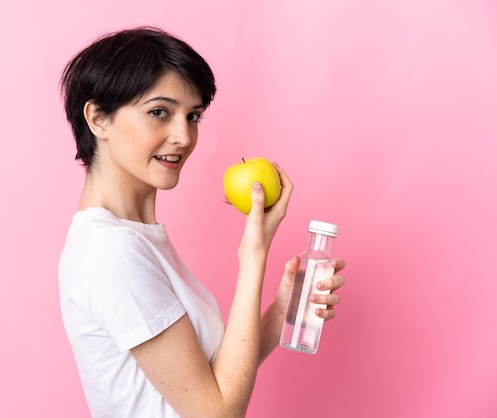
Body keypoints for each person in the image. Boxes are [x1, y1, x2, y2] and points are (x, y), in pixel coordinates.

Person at [58, 26, 346, 418]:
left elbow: (213, 377)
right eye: (159, 112)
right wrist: (253, 256)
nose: (183, 136)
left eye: (192, 116)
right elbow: (217, 412)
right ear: (98, 119)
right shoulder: (112, 250)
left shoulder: (135, 239)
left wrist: (282, 310)